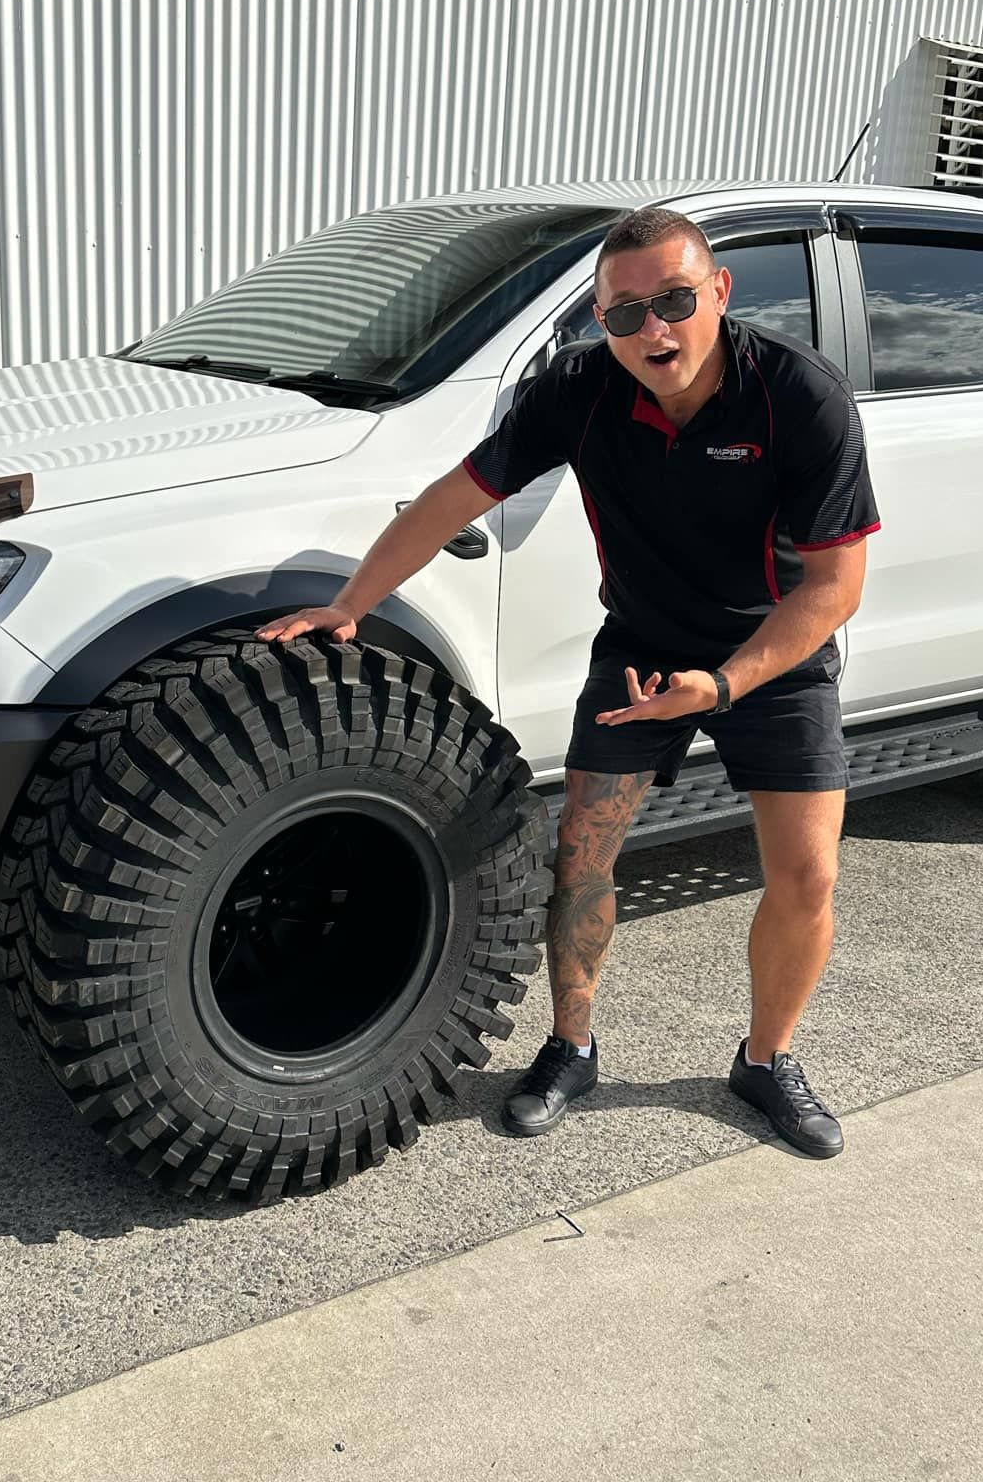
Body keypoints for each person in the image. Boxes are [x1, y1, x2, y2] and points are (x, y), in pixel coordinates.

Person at [257, 206, 879, 1158]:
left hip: (772, 660)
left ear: (717, 291)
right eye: (623, 314)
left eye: (673, 300)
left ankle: (766, 1060)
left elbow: (834, 590)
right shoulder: (577, 390)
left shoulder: (798, 395)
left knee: (808, 873)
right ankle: (570, 1046)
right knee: (583, 860)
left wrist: (719, 684)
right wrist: (351, 602)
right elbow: (453, 498)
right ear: (600, 321)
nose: (651, 330)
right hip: (637, 650)